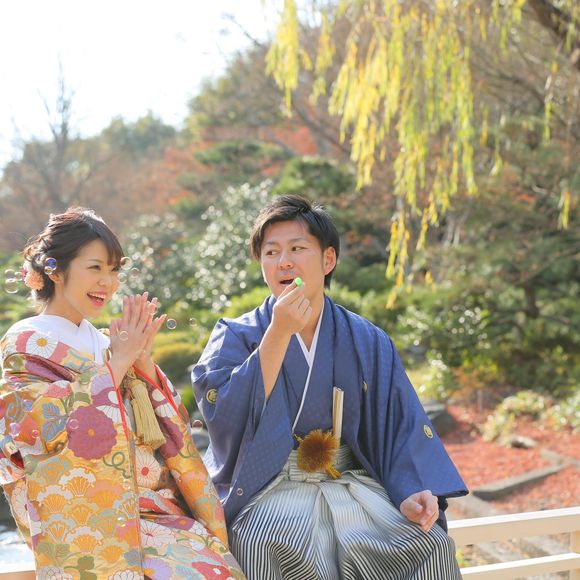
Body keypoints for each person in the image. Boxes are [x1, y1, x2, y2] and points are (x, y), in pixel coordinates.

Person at [192, 195, 468, 580]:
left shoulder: (366, 339)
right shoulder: (235, 335)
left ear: (328, 260)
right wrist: (277, 334)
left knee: (428, 545)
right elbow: (223, 417)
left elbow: (399, 425)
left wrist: (411, 489)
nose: (283, 261)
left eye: (297, 248)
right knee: (255, 542)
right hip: (269, 488)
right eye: (271, 252)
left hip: (351, 483)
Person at [0, 208, 245, 579]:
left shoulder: (107, 342)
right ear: (55, 270)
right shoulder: (25, 342)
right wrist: (118, 363)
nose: (108, 282)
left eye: (114, 270)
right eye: (95, 267)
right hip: (89, 518)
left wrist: (143, 365)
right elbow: (31, 430)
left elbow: (161, 430)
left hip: (153, 509)